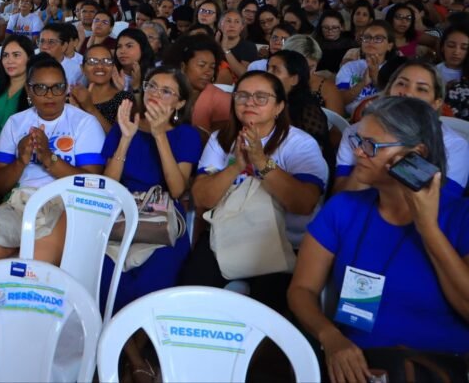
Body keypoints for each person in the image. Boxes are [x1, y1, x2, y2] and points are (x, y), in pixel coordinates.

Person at [288, 97, 469, 383]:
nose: (358, 151)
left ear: (416, 154)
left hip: (440, 364)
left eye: (371, 145)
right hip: (360, 364)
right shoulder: (343, 209)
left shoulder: (460, 217)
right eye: (358, 140)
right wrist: (331, 337)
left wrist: (428, 229)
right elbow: (301, 289)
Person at [0, 56, 105, 373]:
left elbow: (92, 184)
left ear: (67, 89)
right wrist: (20, 161)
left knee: (31, 271)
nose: (49, 95)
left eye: (57, 87)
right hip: (20, 202)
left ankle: (22, 359)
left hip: (66, 205)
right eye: (40, 88)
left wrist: (48, 158)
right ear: (29, 91)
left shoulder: (84, 123)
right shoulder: (17, 123)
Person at [180, 71, 327, 313]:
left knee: (271, 311)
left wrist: (261, 162)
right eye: (242, 96)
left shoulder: (300, 144)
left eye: (261, 97)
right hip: (226, 235)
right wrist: (236, 166)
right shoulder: (221, 139)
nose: (250, 103)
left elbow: (303, 204)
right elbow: (202, 198)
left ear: (279, 107)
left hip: (282, 242)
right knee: (191, 300)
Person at [99, 68, 200, 312]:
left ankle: (141, 335)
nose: (155, 93)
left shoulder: (186, 134)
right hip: (121, 213)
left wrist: (159, 135)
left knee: (151, 286)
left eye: (166, 91)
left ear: (180, 103)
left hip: (162, 219)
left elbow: (177, 190)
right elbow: (108, 186)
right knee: (106, 279)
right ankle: (115, 335)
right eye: (152, 86)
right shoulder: (125, 125)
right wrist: (125, 139)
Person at [334, 60, 469, 195]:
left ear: (436, 103)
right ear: (389, 91)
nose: (408, 93)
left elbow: (443, 202)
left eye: (421, 89)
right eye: (401, 84)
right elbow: (339, 197)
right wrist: (369, 150)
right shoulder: (356, 133)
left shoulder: (454, 145)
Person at [267, 50, 331, 157]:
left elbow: (309, 155)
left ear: (294, 79)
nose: (267, 74)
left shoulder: (307, 110)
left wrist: (263, 163)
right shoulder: (267, 101)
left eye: (275, 70)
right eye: (268, 68)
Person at [166, 36, 231, 138]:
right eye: (201, 65)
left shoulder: (222, 100)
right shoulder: (167, 91)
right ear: (183, 66)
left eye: (212, 67)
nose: (208, 72)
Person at [336, 21, 402, 116]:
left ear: (389, 46)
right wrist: (362, 83)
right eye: (367, 37)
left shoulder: (396, 69)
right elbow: (340, 101)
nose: (371, 41)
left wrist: (376, 77)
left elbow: (396, 101)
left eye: (378, 38)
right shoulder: (349, 67)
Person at [69, 44, 132, 132]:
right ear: (82, 68)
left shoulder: (124, 99)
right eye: (92, 61)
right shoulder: (73, 98)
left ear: (113, 67)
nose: (100, 66)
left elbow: (117, 138)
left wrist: (90, 108)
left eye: (106, 61)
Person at [216, 10, 258, 84]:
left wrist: (225, 50)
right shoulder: (213, 43)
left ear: (242, 27)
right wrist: (215, 46)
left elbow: (243, 74)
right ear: (220, 25)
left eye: (237, 22)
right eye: (228, 21)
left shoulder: (248, 46)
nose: (232, 25)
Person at [114, 28, 155, 92]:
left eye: (129, 46)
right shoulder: (110, 72)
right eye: (119, 46)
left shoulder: (153, 75)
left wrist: (136, 87)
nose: (122, 51)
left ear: (142, 48)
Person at [315, 10, 355, 75]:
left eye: (334, 27)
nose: (330, 31)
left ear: (342, 27)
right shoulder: (314, 44)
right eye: (326, 27)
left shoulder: (350, 46)